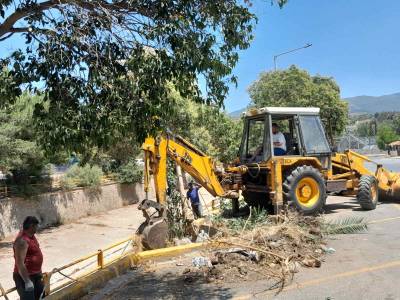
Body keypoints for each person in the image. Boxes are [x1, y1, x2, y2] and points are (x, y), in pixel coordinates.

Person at [13, 216, 45, 300]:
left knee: (41, 297)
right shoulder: (22, 241)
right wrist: (27, 281)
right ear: (31, 226)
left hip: (36, 274)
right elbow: (19, 263)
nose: (37, 228)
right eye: (36, 226)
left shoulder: (31, 236)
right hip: (26, 277)